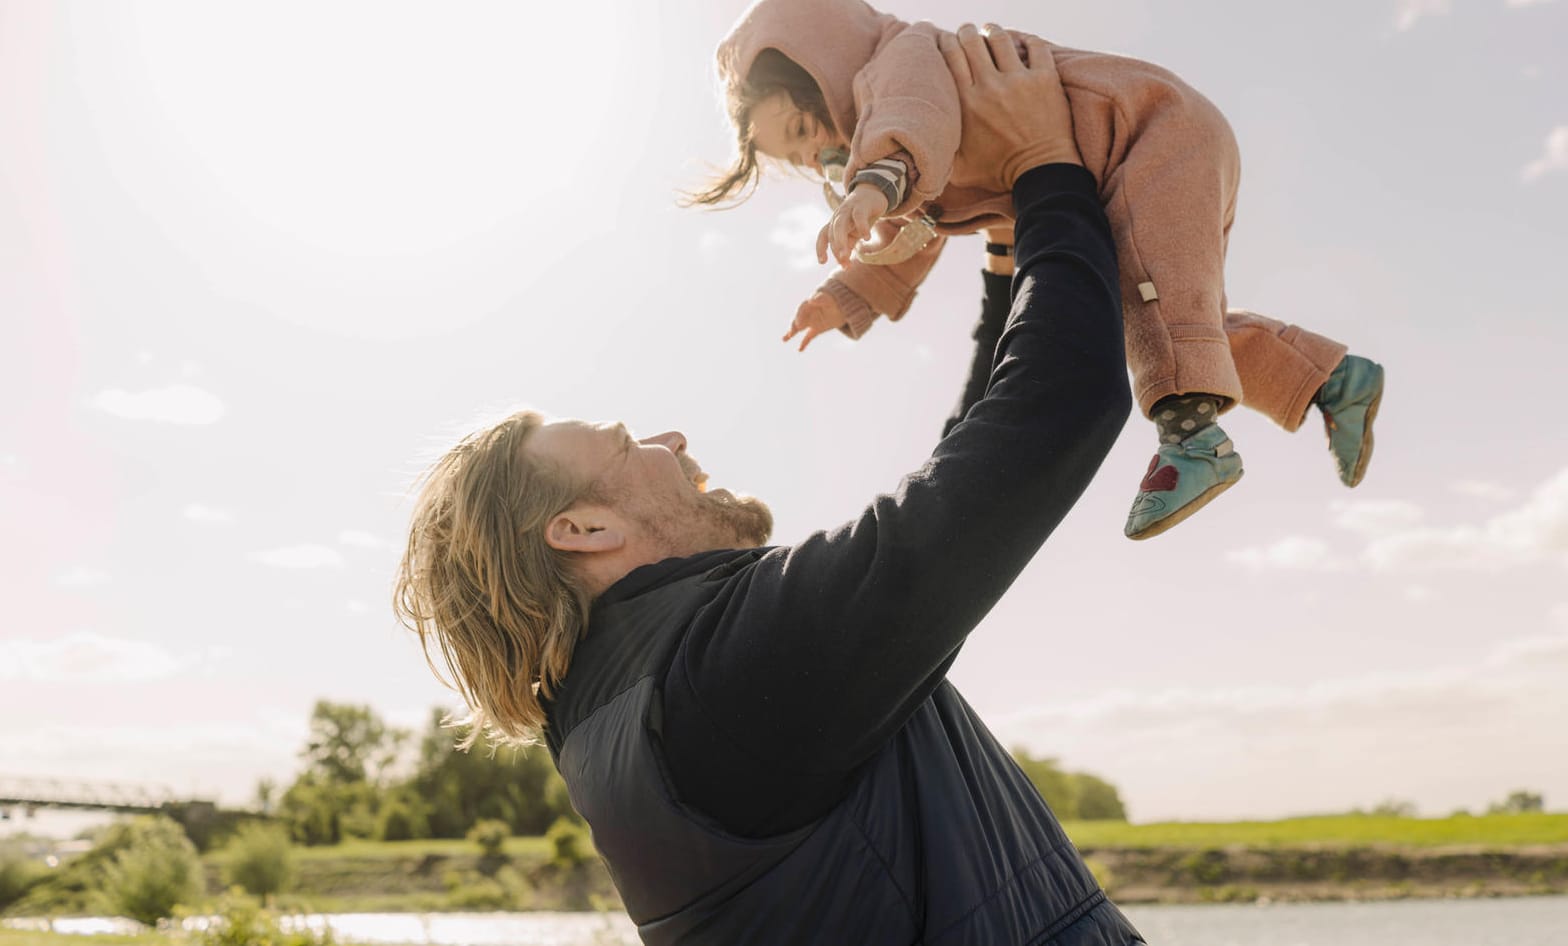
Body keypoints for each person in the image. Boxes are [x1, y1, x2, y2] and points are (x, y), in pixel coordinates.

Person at [396, 29, 1147, 946]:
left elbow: (962, 481)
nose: (672, 440)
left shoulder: (625, 713)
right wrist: (1043, 168)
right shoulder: (725, 671)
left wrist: (1003, 261)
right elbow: (1050, 416)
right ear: (583, 529)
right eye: (629, 442)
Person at [692, 0, 1386, 540]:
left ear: (819, 68)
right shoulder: (895, 145)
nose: (818, 156)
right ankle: (1329, 380)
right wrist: (846, 294)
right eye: (801, 159)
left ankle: (1193, 443)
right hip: (1097, 167)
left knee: (1157, 303)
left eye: (803, 132)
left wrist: (871, 188)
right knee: (1148, 319)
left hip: (1145, 131)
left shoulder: (901, 61)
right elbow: (917, 236)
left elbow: (912, 126)